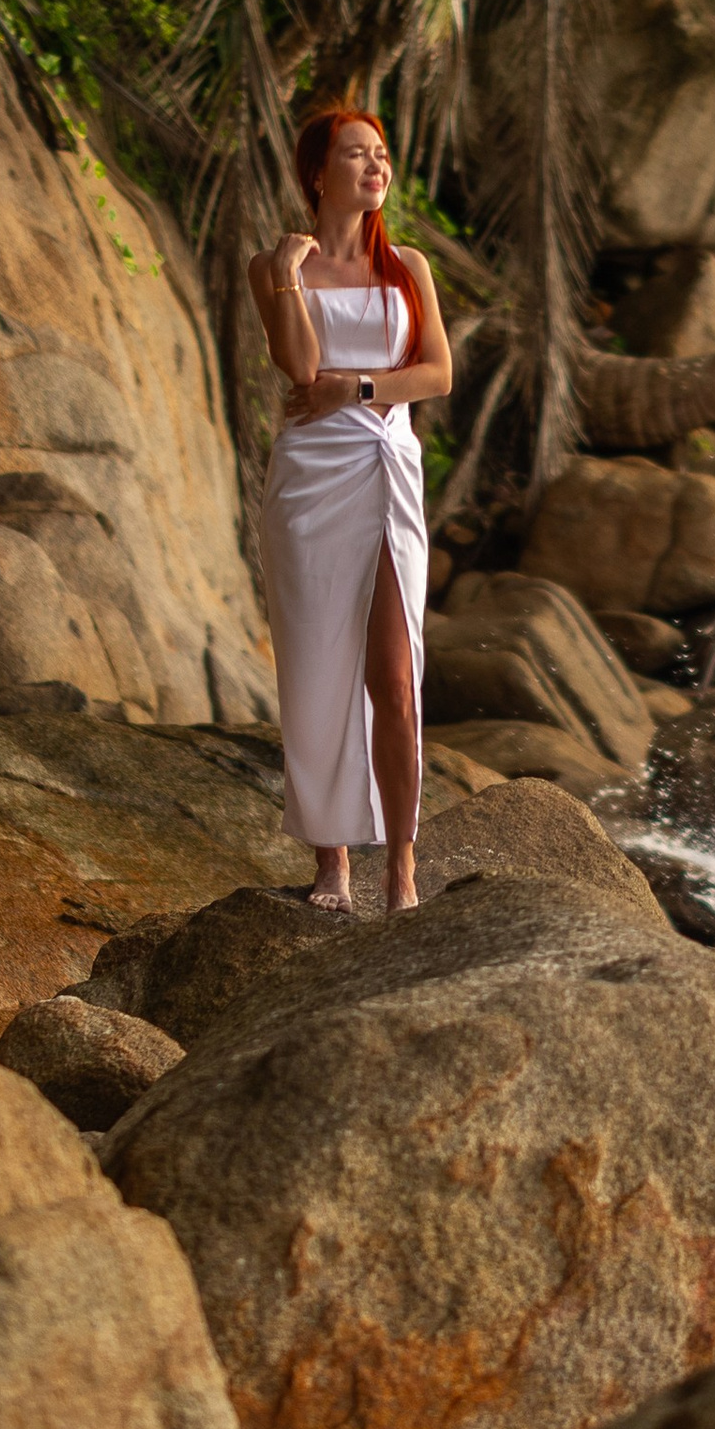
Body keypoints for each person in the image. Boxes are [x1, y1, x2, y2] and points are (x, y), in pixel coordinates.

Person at [248, 107, 453, 912]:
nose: (376, 168)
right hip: (309, 478)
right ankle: (332, 868)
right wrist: (291, 273)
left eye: (382, 154)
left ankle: (400, 873)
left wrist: (360, 388)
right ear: (316, 173)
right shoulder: (272, 262)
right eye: (356, 155)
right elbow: (297, 366)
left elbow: (436, 373)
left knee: (396, 678)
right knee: (316, 668)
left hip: (388, 463)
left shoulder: (408, 265)